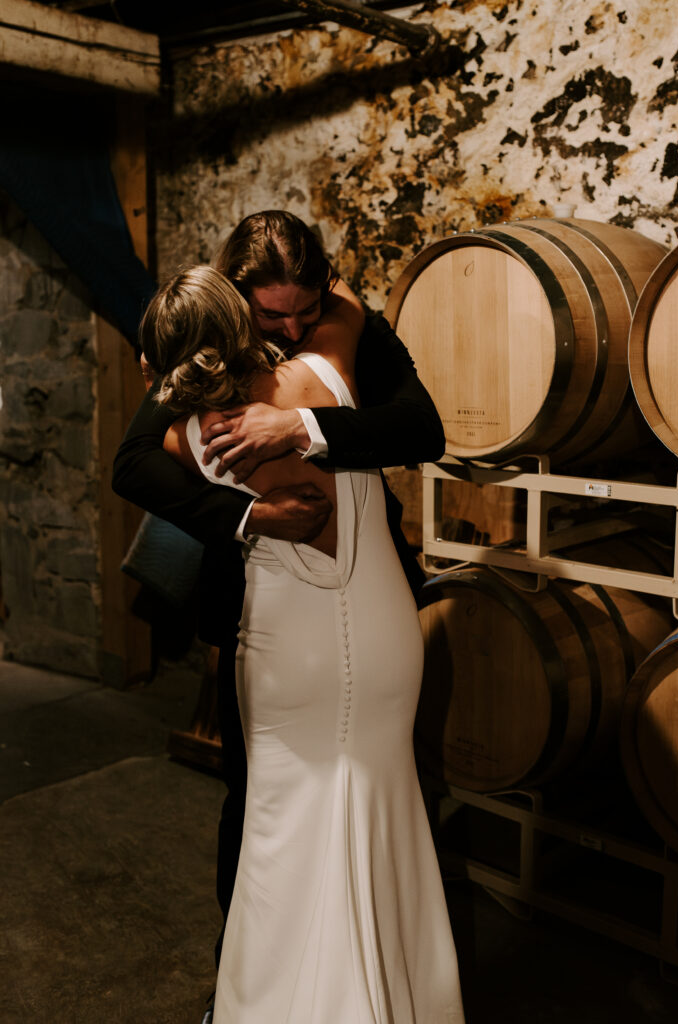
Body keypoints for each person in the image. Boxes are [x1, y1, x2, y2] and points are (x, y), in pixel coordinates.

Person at [111, 211, 446, 1002]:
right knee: (255, 804)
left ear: (325, 284)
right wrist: (246, 515)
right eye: (274, 316)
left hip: (365, 587)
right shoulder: (209, 348)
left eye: (307, 308)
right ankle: (256, 970)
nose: (295, 327)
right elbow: (133, 463)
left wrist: (300, 425)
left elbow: (421, 428)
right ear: (236, 296)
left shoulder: (344, 323)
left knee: (363, 798)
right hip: (255, 597)